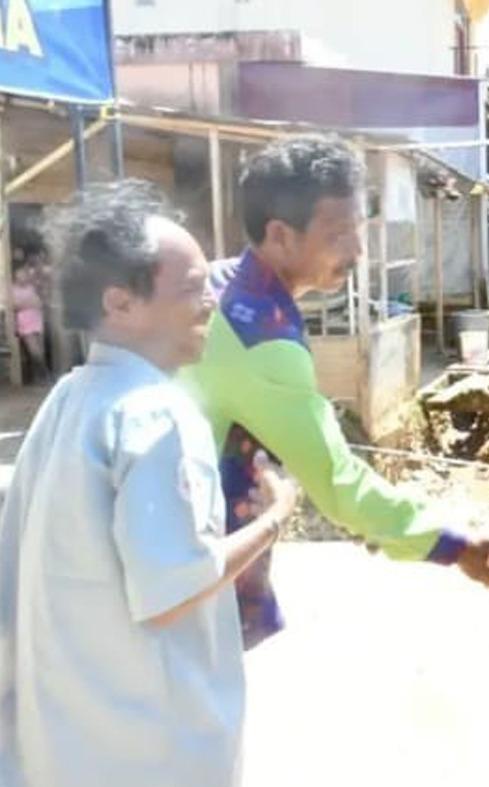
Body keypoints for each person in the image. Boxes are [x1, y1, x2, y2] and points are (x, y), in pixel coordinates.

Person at [0, 180, 297, 787]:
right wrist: (275, 519)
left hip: (60, 745)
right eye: (192, 288)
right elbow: (174, 588)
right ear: (120, 304)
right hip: (150, 751)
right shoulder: (158, 415)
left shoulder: (68, 400)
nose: (211, 301)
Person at [181, 135, 489, 649]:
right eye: (339, 234)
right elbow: (340, 484)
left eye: (359, 229)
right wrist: (458, 547)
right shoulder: (262, 340)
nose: (358, 251)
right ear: (280, 234)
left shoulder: (215, 283)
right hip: (196, 578)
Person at [10, 258, 48, 383]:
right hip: (25, 323)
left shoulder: (32, 287)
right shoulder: (12, 289)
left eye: (24, 273)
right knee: (34, 351)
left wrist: (30, 303)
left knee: (41, 351)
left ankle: (39, 377)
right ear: (15, 275)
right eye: (20, 273)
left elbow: (40, 302)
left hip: (37, 320)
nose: (23, 276)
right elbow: (15, 305)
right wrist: (29, 303)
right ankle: (43, 375)